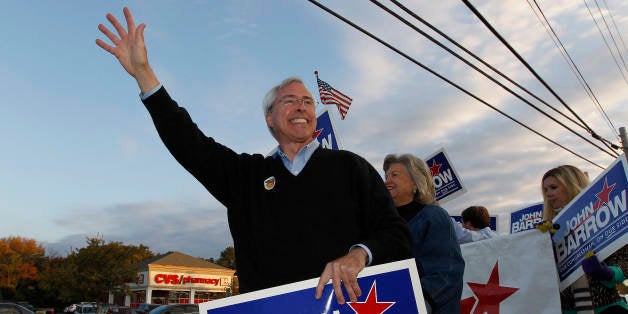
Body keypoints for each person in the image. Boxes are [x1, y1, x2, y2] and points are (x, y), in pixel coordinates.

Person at [96, 7, 412, 305]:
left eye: (307, 101)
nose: (302, 106)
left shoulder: (350, 166)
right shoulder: (245, 177)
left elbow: (396, 234)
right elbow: (189, 142)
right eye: (290, 101)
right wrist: (143, 72)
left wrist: (359, 255)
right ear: (270, 118)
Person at [383, 153, 464, 314]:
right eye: (386, 176)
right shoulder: (383, 223)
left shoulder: (433, 216)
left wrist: (411, 303)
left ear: (415, 182)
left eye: (394, 175)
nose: (387, 181)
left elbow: (446, 271)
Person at [541, 165, 628, 314]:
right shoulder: (547, 229)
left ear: (572, 184)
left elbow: (623, 258)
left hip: (607, 307)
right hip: (567, 309)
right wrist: (538, 244)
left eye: (553, 187)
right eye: (545, 190)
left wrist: (608, 273)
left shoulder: (602, 215)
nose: (548, 194)